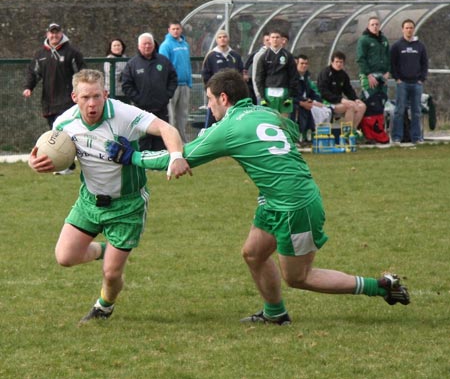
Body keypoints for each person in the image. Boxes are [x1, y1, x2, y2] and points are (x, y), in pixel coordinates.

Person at [106, 68, 410, 325]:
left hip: (295, 205)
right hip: (276, 198)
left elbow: (177, 158)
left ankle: (382, 287)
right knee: (253, 253)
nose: (209, 107)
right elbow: (288, 129)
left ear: (224, 98)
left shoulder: (227, 128)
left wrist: (131, 157)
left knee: (299, 277)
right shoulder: (264, 111)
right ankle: (275, 314)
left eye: (210, 100)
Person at [27, 69, 191, 325]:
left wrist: (176, 157)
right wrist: (35, 162)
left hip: (126, 205)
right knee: (65, 257)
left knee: (112, 274)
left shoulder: (124, 115)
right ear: (74, 97)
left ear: (105, 94)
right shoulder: (64, 123)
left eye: (96, 96)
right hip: (89, 201)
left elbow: (167, 129)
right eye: (85, 98)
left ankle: (104, 306)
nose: (91, 104)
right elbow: (44, 151)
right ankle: (108, 249)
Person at [23, 22, 86, 175]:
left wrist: (81, 91)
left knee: (65, 134)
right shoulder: (40, 54)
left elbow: (82, 73)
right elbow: (33, 73)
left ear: (61, 34)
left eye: (57, 33)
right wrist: (28, 87)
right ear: (47, 35)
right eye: (52, 33)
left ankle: (68, 165)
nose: (54, 35)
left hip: (67, 101)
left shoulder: (72, 53)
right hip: (48, 101)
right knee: (53, 134)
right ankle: (60, 164)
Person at [122, 32, 178, 151]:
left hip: (161, 107)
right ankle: (145, 163)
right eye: (144, 44)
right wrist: (138, 99)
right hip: (142, 108)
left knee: (161, 134)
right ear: (139, 46)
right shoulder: (132, 64)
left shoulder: (163, 61)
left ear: (153, 45)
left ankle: (160, 161)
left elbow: (173, 79)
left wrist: (167, 95)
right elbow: (126, 85)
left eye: (149, 43)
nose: (147, 46)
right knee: (143, 136)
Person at [390, 19, 429, 145]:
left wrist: (421, 79)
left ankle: (416, 137)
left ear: (414, 29)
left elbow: (424, 63)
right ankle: (397, 137)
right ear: (403, 29)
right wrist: (397, 78)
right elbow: (392, 64)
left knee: (416, 111)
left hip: (416, 84)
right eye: (406, 28)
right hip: (403, 84)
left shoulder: (420, 46)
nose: (409, 30)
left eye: (411, 27)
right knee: (399, 111)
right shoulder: (397, 46)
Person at [201, 29, 244, 127]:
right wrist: (210, 91)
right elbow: (205, 75)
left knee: (233, 120)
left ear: (228, 39)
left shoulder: (235, 56)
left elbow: (240, 73)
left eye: (224, 37)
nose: (222, 39)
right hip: (217, 94)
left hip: (233, 95)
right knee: (212, 121)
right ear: (216, 40)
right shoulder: (211, 56)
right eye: (220, 37)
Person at [159, 21, 193, 144]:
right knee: (171, 115)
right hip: (172, 86)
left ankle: (183, 142)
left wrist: (189, 82)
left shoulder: (185, 44)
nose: (175, 31)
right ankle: (171, 142)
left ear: (181, 29)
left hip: (185, 84)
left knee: (183, 115)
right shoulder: (166, 45)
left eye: (178, 28)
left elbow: (188, 64)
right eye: (173, 29)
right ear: (169, 30)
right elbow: (163, 66)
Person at [317, 51, 366, 132]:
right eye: (336, 62)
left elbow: (348, 89)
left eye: (341, 62)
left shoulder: (343, 75)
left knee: (362, 106)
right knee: (350, 106)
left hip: (339, 102)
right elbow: (324, 92)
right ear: (332, 62)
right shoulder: (325, 73)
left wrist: (355, 99)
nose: (339, 64)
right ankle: (347, 133)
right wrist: (341, 100)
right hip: (326, 103)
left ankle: (353, 131)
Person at [254, 29, 298, 118]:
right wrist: (262, 96)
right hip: (268, 94)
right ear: (269, 40)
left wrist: (290, 95)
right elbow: (259, 77)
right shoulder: (264, 57)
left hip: (284, 94)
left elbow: (293, 76)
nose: (275, 39)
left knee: (283, 122)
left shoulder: (288, 56)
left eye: (277, 37)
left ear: (282, 40)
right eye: (273, 37)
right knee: (268, 120)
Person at [292, 54, 331, 143]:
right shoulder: (293, 78)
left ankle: (319, 135)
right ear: (297, 64)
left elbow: (311, 93)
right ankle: (303, 134)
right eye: (302, 63)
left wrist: (318, 101)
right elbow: (292, 95)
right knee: (303, 109)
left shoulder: (306, 77)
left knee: (326, 109)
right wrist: (304, 102)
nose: (304, 66)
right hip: (297, 103)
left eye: (306, 64)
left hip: (307, 102)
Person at [243, 32, 270, 104]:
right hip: (261, 93)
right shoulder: (259, 55)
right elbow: (255, 75)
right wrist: (258, 93)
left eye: (270, 39)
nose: (269, 42)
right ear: (263, 42)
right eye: (267, 40)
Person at [103, 38, 129, 103]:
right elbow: (112, 74)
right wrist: (125, 74)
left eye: (118, 45)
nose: (117, 47)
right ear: (111, 48)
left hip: (124, 91)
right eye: (114, 45)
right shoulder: (109, 59)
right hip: (112, 92)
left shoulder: (125, 58)